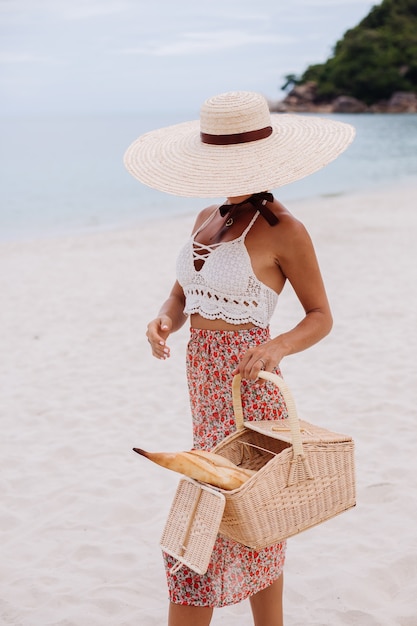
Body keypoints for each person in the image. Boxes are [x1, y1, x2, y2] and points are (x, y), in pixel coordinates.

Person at [124, 91, 355, 626]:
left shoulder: (285, 231)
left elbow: (320, 315)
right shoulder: (207, 216)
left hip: (247, 386)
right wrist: (163, 318)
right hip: (202, 379)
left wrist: (275, 347)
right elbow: (183, 295)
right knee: (246, 510)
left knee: (224, 514)